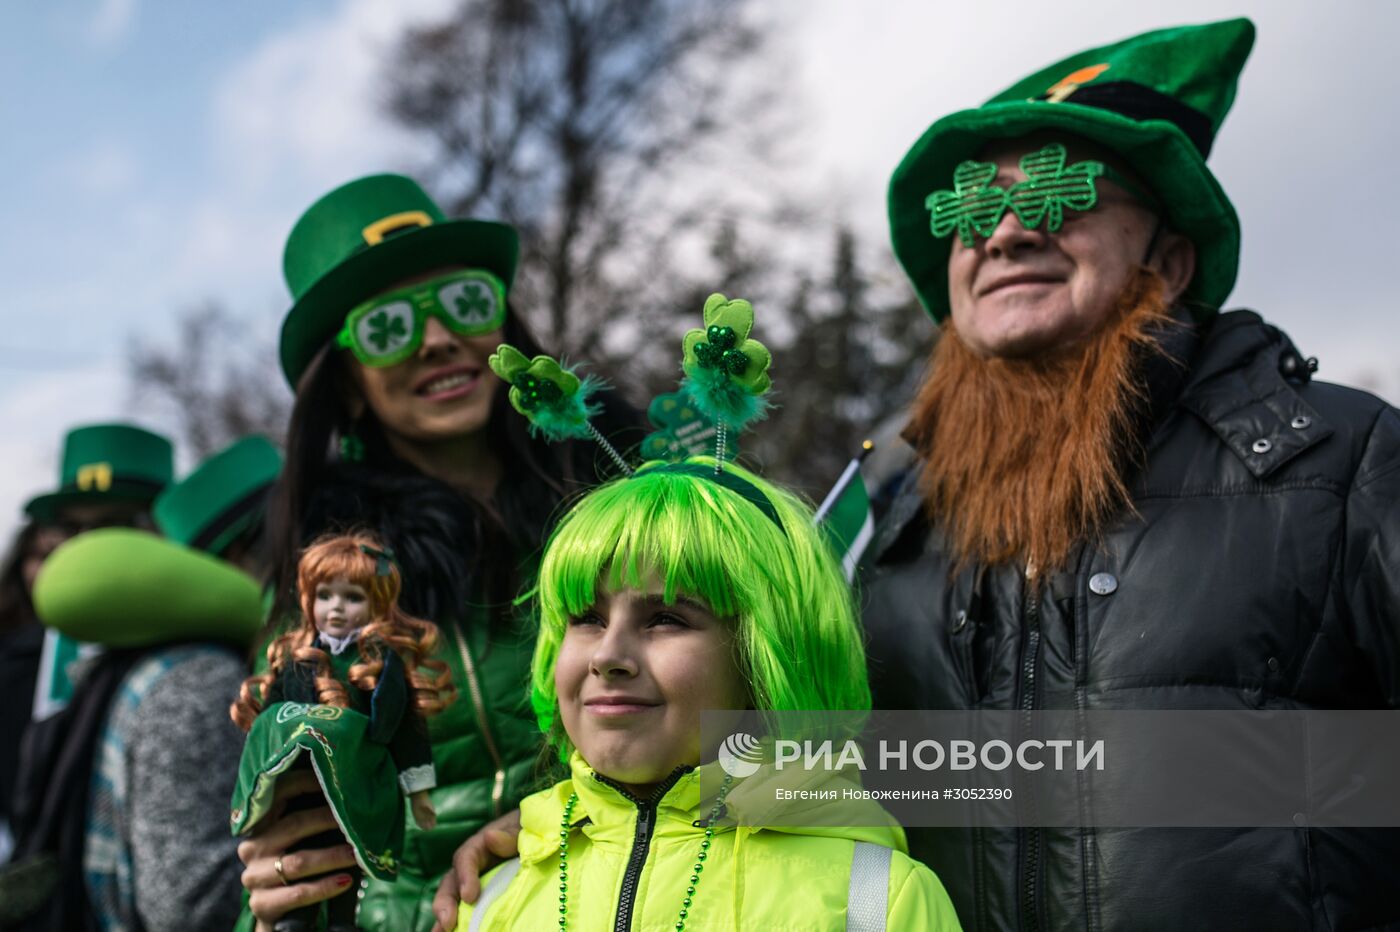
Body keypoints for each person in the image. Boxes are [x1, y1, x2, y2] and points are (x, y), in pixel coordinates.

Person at [864, 17, 1400, 930]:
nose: (1004, 231)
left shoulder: (1341, 465)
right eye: (967, 207)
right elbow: (796, 787)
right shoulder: (890, 530)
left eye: (1060, 189)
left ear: (1171, 257)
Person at [236, 174, 640, 930]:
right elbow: (291, 852)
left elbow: (777, 734)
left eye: (464, 302)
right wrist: (272, 901)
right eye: (389, 325)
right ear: (348, 385)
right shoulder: (330, 592)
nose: (438, 339)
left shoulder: (635, 502)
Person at [450, 457, 960, 930]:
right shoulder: (492, 896)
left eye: (666, 618)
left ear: (766, 653)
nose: (607, 656)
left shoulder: (875, 901)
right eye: (586, 618)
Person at [233, 533, 455, 932]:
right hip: (300, 786)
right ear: (309, 601)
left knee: (348, 855)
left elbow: (407, 731)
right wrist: (259, 790)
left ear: (375, 604)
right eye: (325, 596)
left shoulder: (380, 667)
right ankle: (295, 918)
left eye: (351, 597)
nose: (336, 608)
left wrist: (418, 794)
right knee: (300, 848)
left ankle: (341, 920)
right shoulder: (297, 661)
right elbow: (269, 725)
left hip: (358, 783)